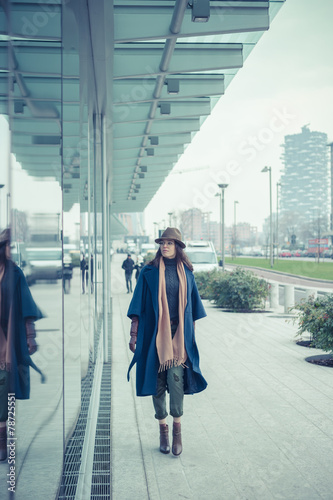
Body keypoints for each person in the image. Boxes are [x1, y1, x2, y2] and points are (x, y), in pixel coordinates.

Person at [127, 227, 207, 456]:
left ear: (178, 247)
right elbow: (137, 306)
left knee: (176, 380)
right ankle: (163, 430)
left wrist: (190, 337)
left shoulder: (187, 273)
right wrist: (134, 334)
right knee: (157, 383)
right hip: (153, 334)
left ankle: (177, 431)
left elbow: (193, 310)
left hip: (178, 335)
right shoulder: (148, 272)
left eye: (170, 243)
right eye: (162, 242)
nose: (165, 246)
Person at [0, 229, 44, 461]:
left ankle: (4, 440)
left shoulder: (15, 274)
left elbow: (27, 307)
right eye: (7, 246)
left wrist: (30, 336)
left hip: (8, 342)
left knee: (6, 387)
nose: (10, 250)